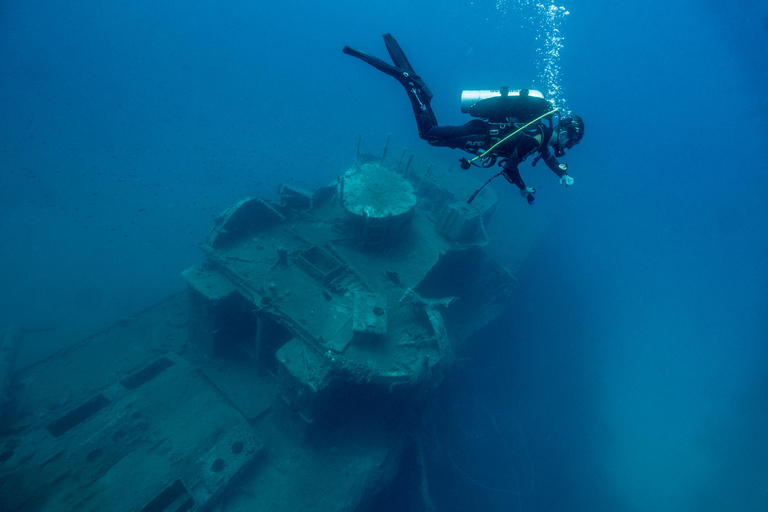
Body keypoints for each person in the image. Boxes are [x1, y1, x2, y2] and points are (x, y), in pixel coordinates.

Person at [343, 33, 584, 205]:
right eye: (571, 143)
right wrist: (523, 189)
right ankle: (411, 83)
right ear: (564, 134)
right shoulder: (536, 138)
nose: (568, 148)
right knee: (428, 134)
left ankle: (417, 88)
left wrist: (562, 175)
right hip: (478, 135)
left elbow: (550, 159)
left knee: (434, 137)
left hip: (481, 137)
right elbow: (510, 166)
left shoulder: (541, 138)